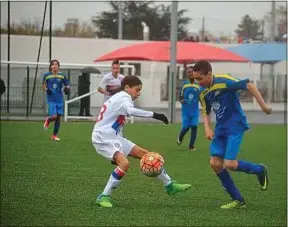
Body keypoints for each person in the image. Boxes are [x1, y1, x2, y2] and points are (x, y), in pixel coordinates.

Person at [92, 75, 192, 208]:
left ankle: (170, 185)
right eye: (137, 90)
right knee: (124, 164)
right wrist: (155, 115)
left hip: (114, 137)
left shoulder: (120, 97)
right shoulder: (123, 97)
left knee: (145, 154)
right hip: (103, 137)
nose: (138, 94)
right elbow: (130, 111)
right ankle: (103, 196)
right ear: (127, 87)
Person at [193, 60, 271, 209]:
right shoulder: (203, 93)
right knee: (215, 163)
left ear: (209, 74)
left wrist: (264, 107)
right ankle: (238, 199)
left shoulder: (224, 81)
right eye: (196, 79)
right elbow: (206, 111)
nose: (198, 82)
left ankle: (260, 170)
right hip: (221, 128)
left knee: (229, 164)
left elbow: (250, 86)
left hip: (235, 125)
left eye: (200, 79)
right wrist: (207, 128)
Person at [42, 59, 70, 141]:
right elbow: (43, 85)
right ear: (50, 66)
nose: (54, 66)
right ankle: (48, 120)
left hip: (60, 99)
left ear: (58, 66)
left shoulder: (62, 75)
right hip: (51, 99)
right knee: (54, 116)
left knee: (58, 118)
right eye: (53, 64)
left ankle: (54, 135)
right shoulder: (47, 75)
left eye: (56, 64)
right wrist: (47, 90)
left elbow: (67, 84)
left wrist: (67, 89)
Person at [177, 66, 201, 151]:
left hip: (194, 110)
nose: (191, 74)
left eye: (192, 72)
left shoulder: (198, 85)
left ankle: (191, 146)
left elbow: (201, 96)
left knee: (194, 126)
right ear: (187, 74)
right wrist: (181, 99)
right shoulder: (184, 84)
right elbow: (180, 95)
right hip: (186, 110)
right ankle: (180, 136)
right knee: (186, 127)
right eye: (189, 72)